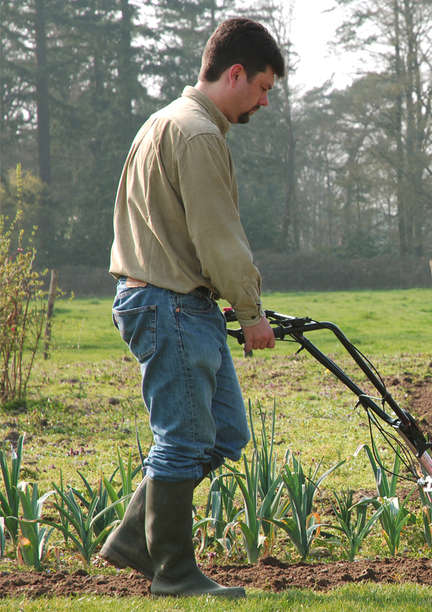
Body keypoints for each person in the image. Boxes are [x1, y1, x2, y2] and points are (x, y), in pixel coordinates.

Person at [100, 17, 284, 599]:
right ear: (236, 74)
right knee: (183, 438)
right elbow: (218, 236)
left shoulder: (163, 122)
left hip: (170, 301)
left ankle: (136, 538)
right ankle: (175, 573)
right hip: (171, 304)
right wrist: (250, 311)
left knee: (224, 432)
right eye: (262, 88)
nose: (263, 102)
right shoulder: (199, 134)